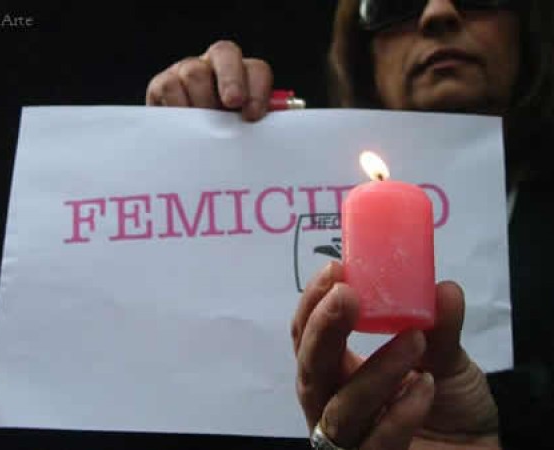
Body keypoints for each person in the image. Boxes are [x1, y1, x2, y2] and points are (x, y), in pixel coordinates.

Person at [146, 1, 554, 449]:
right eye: (394, 2)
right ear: (362, 52)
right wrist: (201, 140)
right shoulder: (293, 180)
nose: (438, 11)